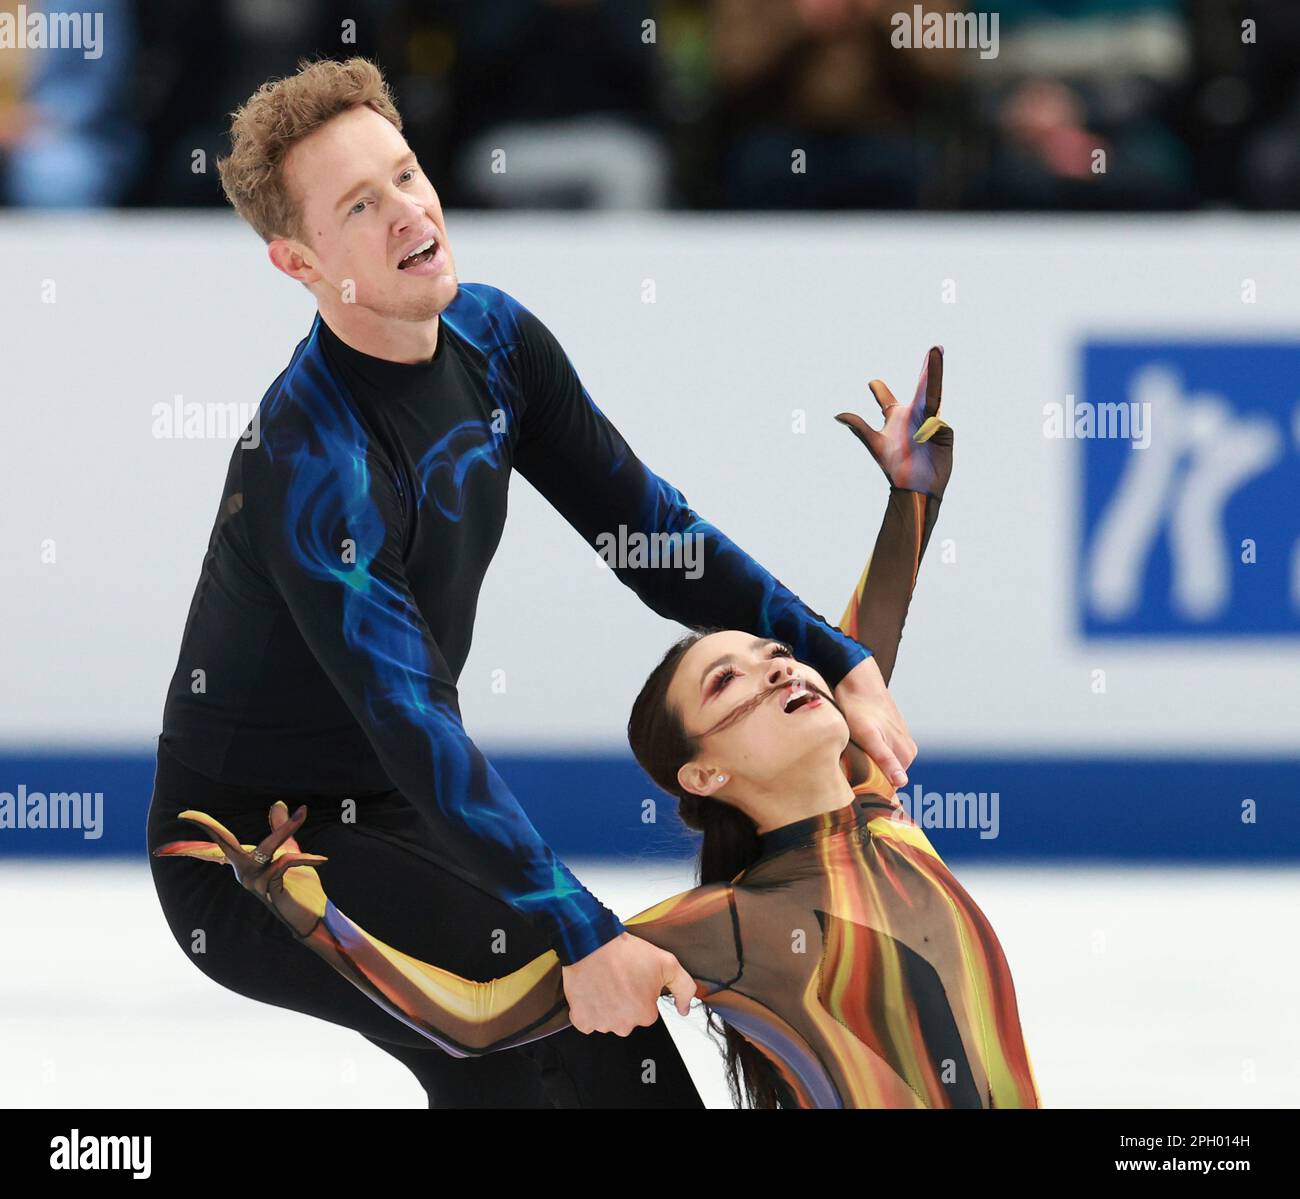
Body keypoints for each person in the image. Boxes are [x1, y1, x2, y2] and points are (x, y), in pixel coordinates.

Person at [145, 55, 917, 1109]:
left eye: (407, 175)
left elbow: (649, 533)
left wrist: (841, 658)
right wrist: (580, 931)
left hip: (393, 809)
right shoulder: (312, 460)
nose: (408, 212)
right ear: (298, 261)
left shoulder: (495, 338)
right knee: (579, 1042)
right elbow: (413, 718)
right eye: (358, 205)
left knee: (558, 1059)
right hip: (253, 852)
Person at [158, 349, 1042, 1108]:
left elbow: (860, 652)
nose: (781, 667)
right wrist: (312, 917)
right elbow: (476, 1020)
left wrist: (913, 501)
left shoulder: (876, 805)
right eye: (728, 678)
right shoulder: (731, 923)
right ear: (702, 774)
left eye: (778, 656)